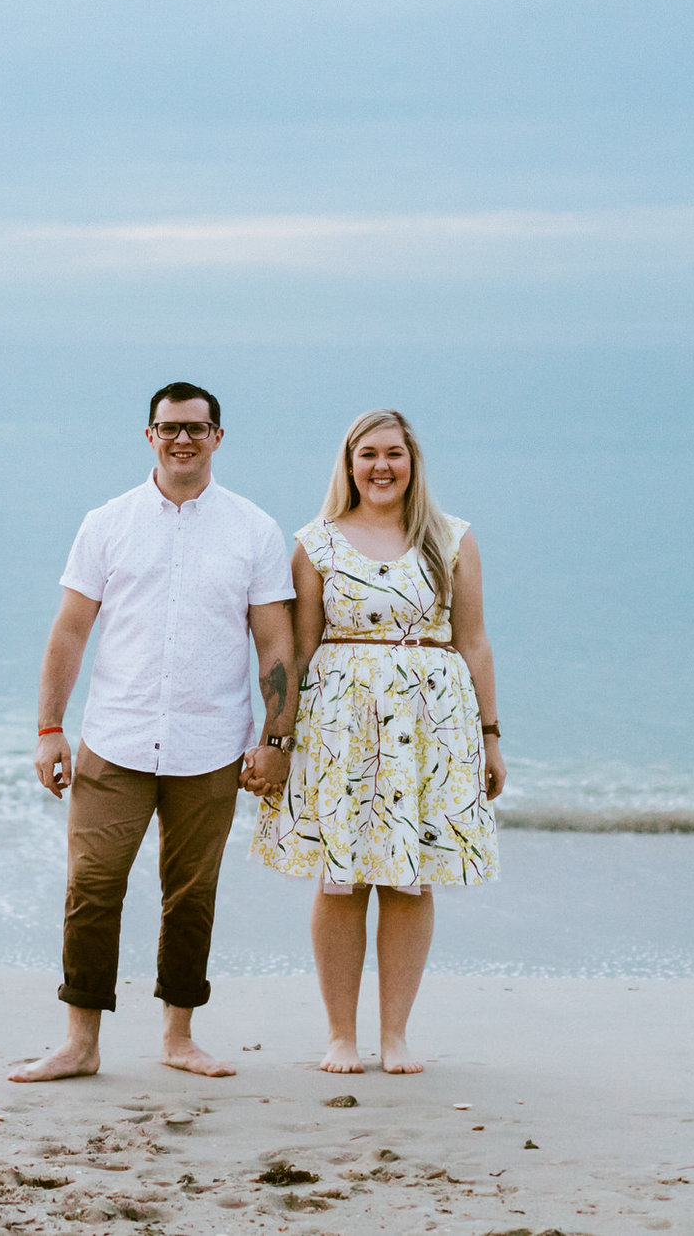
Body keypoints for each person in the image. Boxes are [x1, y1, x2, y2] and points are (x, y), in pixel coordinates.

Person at [11, 382, 297, 1084]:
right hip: (117, 739)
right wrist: (50, 727)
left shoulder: (254, 529)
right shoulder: (107, 522)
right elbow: (71, 630)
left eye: (197, 429)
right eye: (170, 427)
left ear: (218, 437)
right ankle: (80, 1042)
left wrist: (276, 740)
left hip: (211, 745)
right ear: (149, 435)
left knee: (191, 893)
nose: (183, 440)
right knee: (92, 887)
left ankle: (179, 1035)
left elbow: (276, 646)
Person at [252, 409, 503, 1075]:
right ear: (349, 463)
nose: (381, 466)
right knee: (341, 880)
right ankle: (341, 1035)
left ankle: (396, 1034)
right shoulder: (317, 542)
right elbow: (298, 650)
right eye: (368, 454)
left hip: (431, 728)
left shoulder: (451, 539)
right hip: (339, 727)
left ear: (413, 461)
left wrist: (491, 735)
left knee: (408, 879)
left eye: (393, 453)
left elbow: (473, 640)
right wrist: (277, 739)